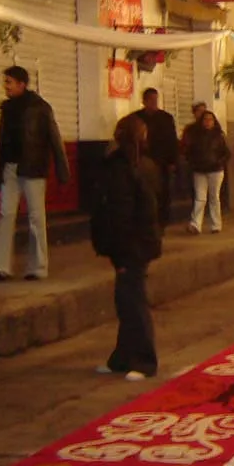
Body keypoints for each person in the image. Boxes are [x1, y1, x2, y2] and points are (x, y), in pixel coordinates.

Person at [91, 115, 162, 382]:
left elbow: (122, 212)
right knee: (125, 300)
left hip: (131, 245)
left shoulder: (130, 168)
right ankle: (122, 357)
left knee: (133, 301)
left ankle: (144, 361)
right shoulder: (134, 165)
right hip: (133, 243)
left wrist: (122, 250)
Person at [0, 66, 69, 281]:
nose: (6, 87)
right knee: (6, 214)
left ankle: (37, 267)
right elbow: (3, 143)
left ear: (22, 84)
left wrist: (62, 170)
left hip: (32, 168)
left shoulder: (40, 108)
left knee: (35, 217)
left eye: (9, 82)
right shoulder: (7, 109)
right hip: (10, 167)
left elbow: (54, 139)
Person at [133, 87, 178, 229]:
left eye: (155, 100)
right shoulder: (136, 118)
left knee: (163, 193)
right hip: (144, 162)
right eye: (151, 100)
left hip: (162, 162)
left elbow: (172, 140)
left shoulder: (166, 118)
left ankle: (161, 222)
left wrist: (172, 161)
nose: (154, 103)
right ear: (144, 101)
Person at [184, 110, 228, 234]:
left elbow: (226, 153)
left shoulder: (219, 136)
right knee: (200, 198)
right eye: (205, 119)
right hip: (200, 170)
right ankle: (195, 224)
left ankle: (216, 224)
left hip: (215, 170)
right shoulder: (196, 136)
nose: (208, 122)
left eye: (210, 120)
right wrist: (194, 163)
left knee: (214, 197)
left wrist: (219, 162)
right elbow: (189, 152)